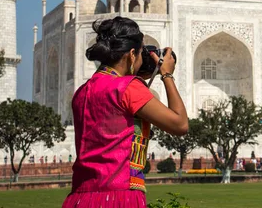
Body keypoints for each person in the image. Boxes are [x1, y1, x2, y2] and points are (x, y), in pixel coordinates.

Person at [62, 17, 188, 208]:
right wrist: (166, 74)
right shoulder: (128, 88)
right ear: (131, 54)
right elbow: (180, 125)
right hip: (119, 198)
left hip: (79, 197)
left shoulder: (82, 92)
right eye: (140, 54)